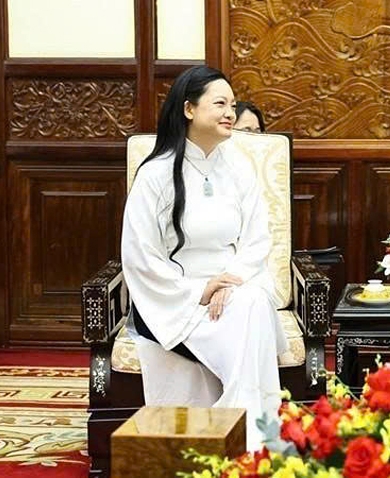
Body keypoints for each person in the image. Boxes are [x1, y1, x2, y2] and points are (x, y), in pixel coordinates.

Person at [121, 65, 286, 450]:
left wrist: (230, 281)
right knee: (252, 311)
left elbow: (257, 239)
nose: (230, 112)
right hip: (177, 300)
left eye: (232, 103)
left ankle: (242, 434)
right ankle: (254, 440)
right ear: (189, 109)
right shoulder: (156, 175)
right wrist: (200, 289)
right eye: (220, 103)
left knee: (253, 303)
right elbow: (140, 255)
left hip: (235, 289)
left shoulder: (240, 168)